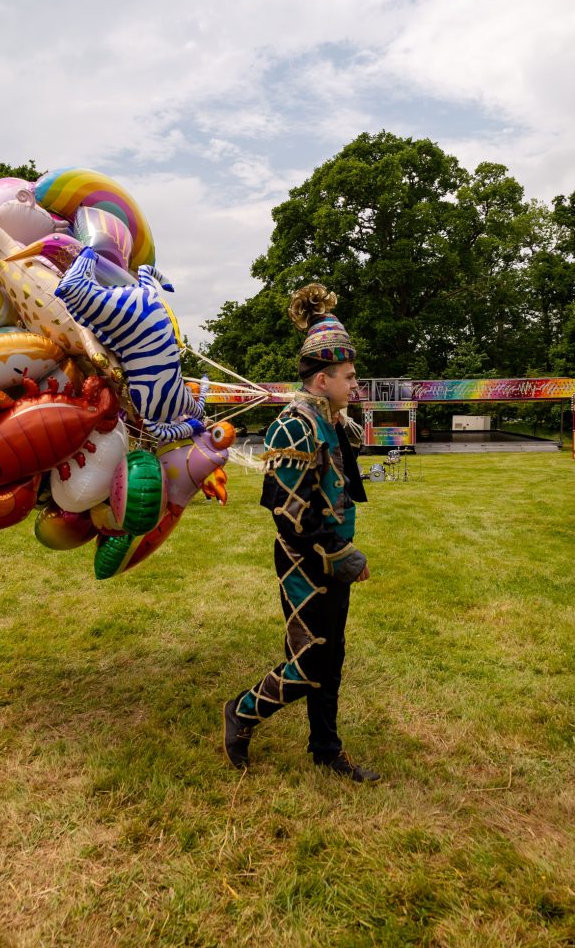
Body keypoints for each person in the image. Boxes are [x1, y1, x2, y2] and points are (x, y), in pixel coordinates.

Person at [223, 283, 380, 782]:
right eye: (349, 377)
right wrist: (340, 554)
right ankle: (242, 711)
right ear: (321, 379)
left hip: (331, 556)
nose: (355, 384)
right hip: (304, 561)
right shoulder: (294, 425)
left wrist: (343, 551)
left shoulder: (330, 421)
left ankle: (326, 749)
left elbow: (336, 489)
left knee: (330, 657)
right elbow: (290, 515)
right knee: (309, 660)